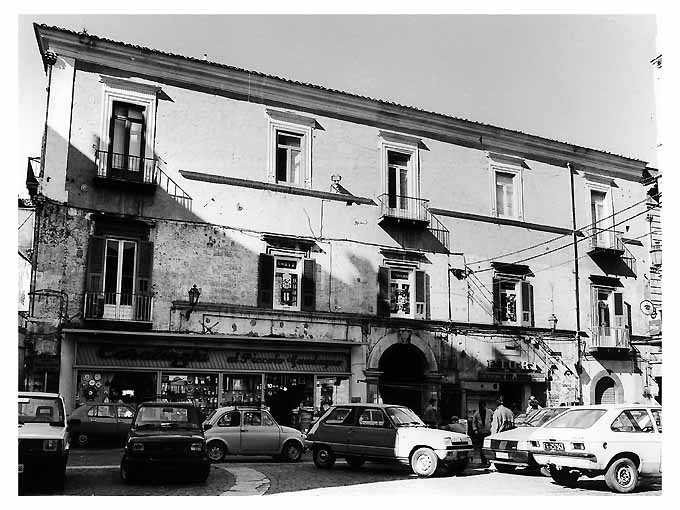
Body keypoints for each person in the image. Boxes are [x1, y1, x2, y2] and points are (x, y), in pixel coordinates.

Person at [472, 400, 493, 466]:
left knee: (488, 446)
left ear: (485, 405)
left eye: (483, 406)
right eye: (480, 406)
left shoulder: (490, 412)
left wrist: (493, 428)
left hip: (488, 431)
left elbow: (493, 420)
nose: (481, 407)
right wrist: (475, 429)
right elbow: (474, 422)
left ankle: (489, 460)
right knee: (481, 447)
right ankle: (483, 460)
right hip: (480, 432)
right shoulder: (477, 413)